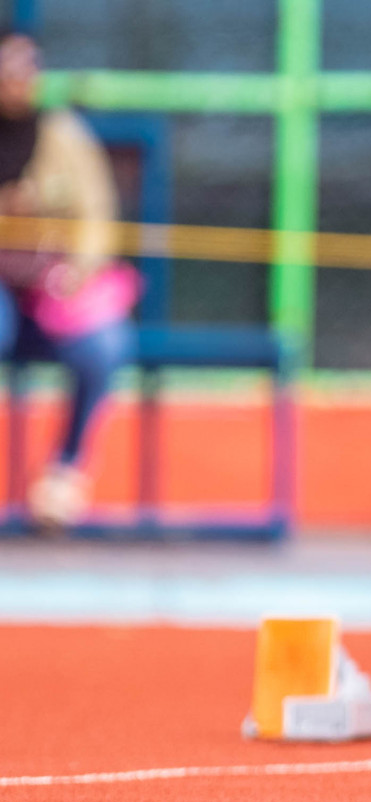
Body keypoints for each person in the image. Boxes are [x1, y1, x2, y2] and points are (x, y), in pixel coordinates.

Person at [0, 28, 136, 528]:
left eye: (27, 65)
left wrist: (75, 274)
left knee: (104, 344)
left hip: (56, 291)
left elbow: (97, 220)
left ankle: (65, 472)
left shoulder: (62, 135)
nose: (18, 78)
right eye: (7, 66)